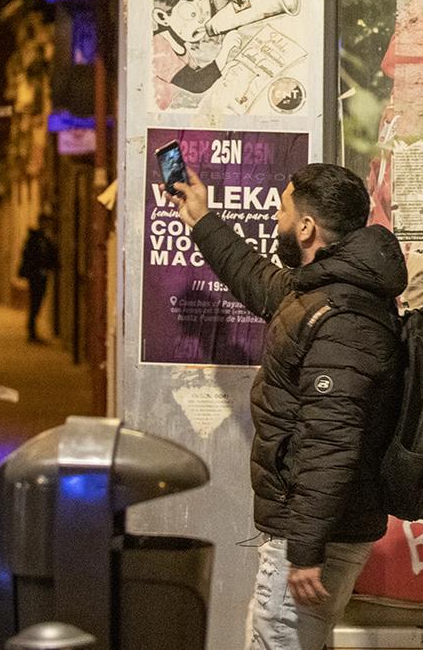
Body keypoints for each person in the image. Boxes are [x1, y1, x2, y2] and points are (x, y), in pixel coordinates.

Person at [171, 162, 405, 650]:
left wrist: (304, 550)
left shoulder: (342, 316)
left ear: (306, 227)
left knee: (279, 641)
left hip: (318, 533)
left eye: (281, 209)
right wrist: (201, 218)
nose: (276, 219)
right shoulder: (325, 292)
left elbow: (332, 438)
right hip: (318, 526)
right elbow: (258, 280)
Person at [17, 211, 60, 344]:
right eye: (46, 222)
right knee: (35, 303)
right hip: (36, 276)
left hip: (41, 275)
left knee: (37, 303)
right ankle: (32, 332)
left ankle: (32, 331)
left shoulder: (45, 238)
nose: (48, 225)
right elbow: (31, 256)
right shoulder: (36, 238)